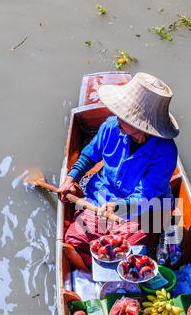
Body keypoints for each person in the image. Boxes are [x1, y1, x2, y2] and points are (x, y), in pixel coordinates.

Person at [58, 72, 179, 266]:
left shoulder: (165, 152)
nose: (117, 118)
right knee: (76, 241)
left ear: (143, 125)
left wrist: (118, 207)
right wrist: (72, 178)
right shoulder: (111, 126)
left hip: (143, 208)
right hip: (102, 196)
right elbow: (91, 154)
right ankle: (100, 270)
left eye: (124, 117)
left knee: (126, 252)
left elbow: (145, 196)